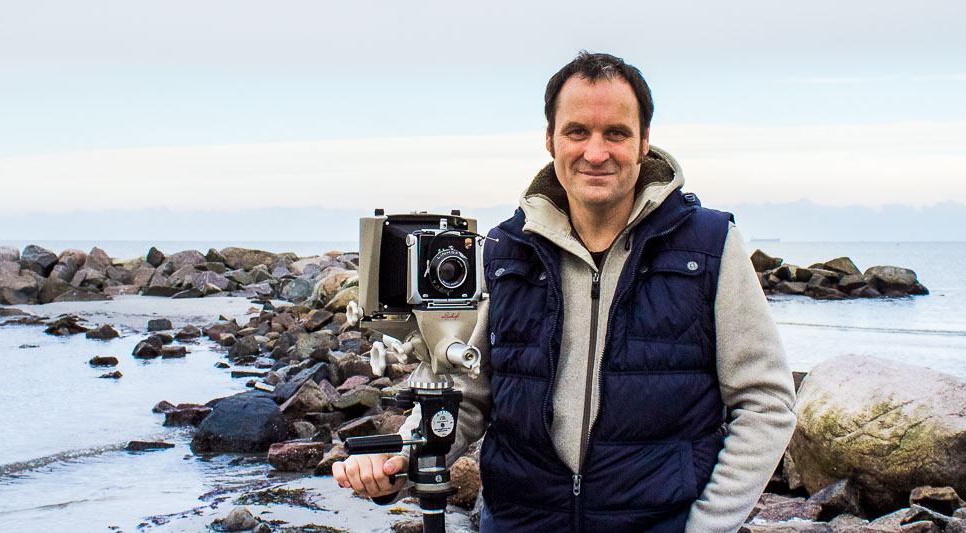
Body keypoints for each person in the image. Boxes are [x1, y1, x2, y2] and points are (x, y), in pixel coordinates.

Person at [334, 51, 796, 533]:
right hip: (519, 523)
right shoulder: (505, 249)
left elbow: (765, 403)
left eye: (616, 133)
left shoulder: (710, 245)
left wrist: (704, 527)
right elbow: (464, 394)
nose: (596, 152)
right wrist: (399, 462)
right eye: (578, 132)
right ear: (550, 139)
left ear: (643, 144)